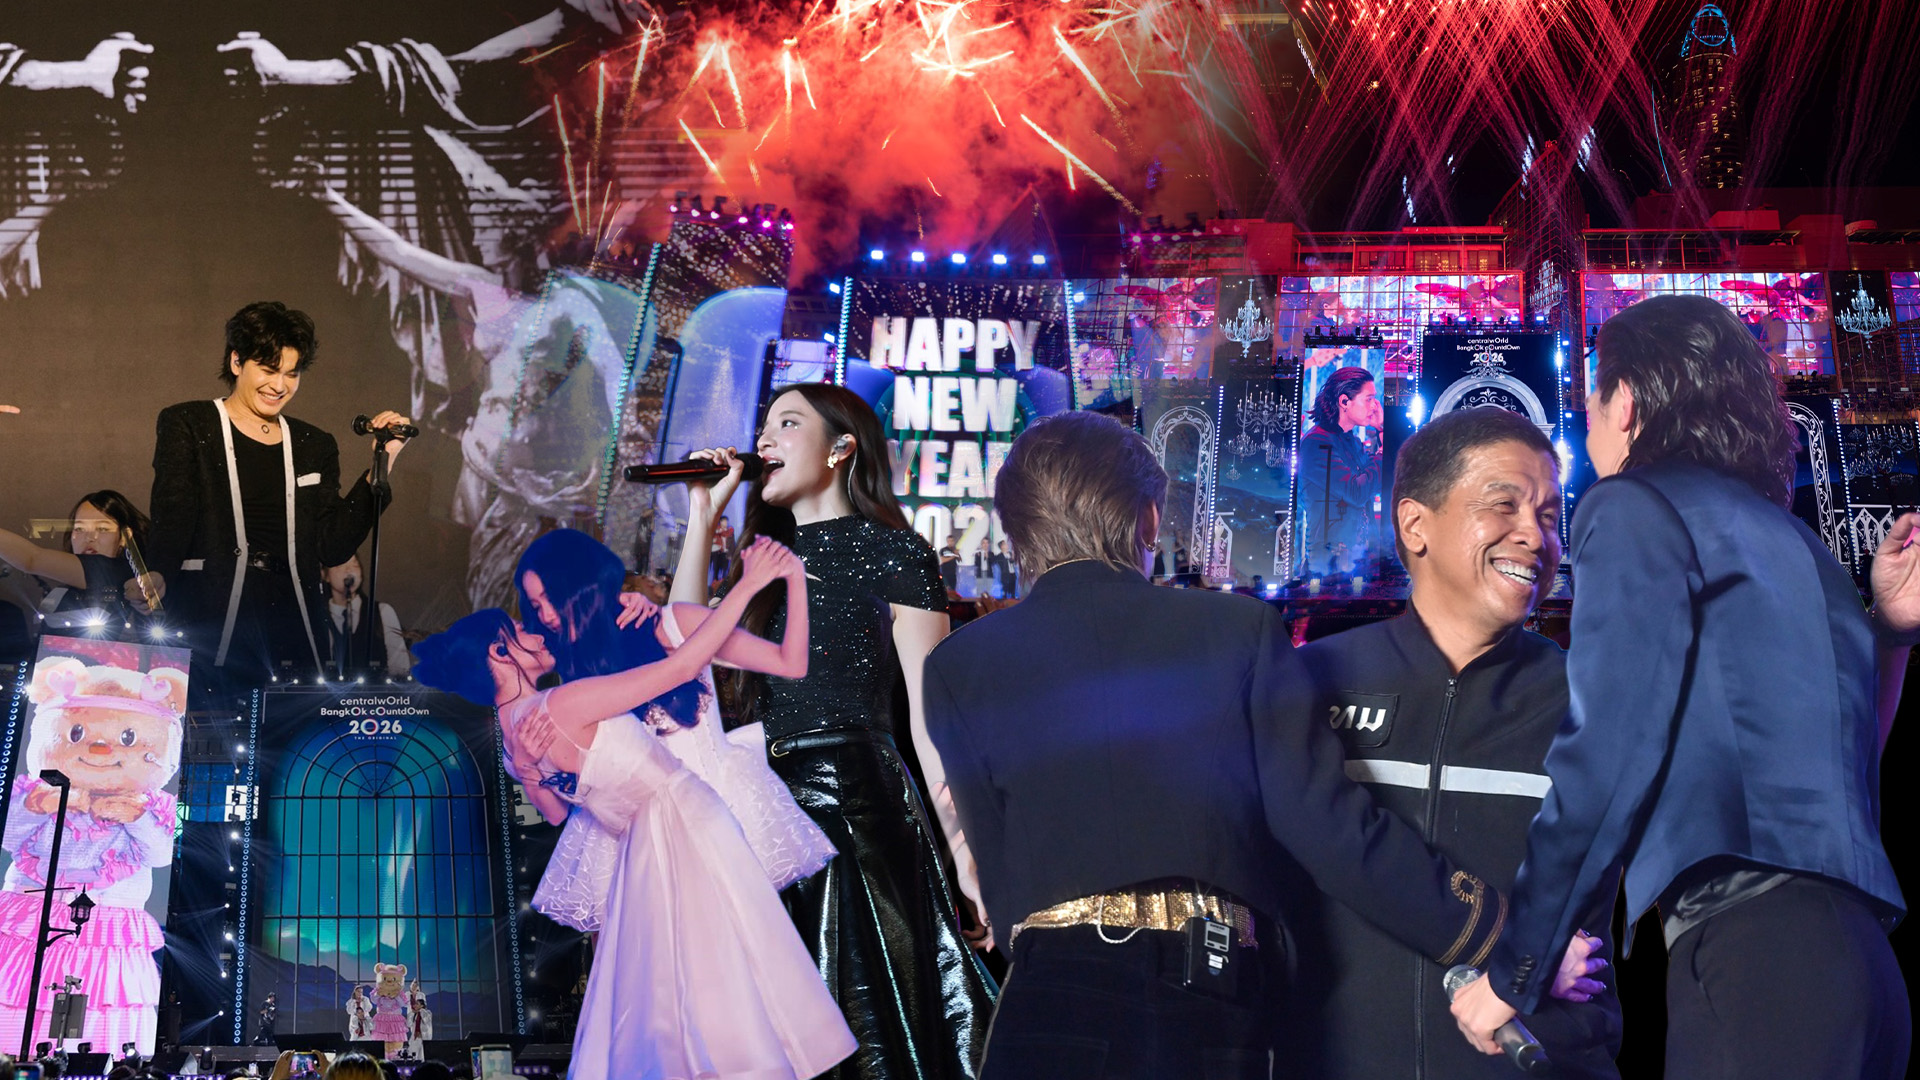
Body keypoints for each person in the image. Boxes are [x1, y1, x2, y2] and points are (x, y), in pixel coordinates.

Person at [921, 412, 1597, 1078]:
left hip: (1043, 998)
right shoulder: (1236, 630)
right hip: (1200, 991)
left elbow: (997, 877)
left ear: (1015, 529)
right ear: (1148, 520)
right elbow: (1329, 829)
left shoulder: (956, 665)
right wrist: (1501, 937)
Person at [1451, 295, 1915, 1078]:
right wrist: (1893, 639)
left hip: (1756, 955)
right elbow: (1849, 765)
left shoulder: (1630, 506)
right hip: (1864, 968)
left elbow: (1608, 749)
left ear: (1628, 402)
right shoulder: (1796, 540)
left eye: (1592, 399)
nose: (1588, 425)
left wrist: (1517, 968)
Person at [412, 538, 856, 1080]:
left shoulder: (517, 732)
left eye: (544, 603)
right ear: (499, 654)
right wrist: (749, 584)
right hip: (673, 821)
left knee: (675, 1000)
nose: (541, 622)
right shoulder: (561, 696)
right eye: (526, 620)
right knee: (713, 991)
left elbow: (554, 812)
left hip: (660, 830)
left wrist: (653, 610)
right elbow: (682, 668)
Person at [1283, 407, 1619, 1080]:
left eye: (1549, 516)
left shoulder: (1593, 699)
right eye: (1504, 505)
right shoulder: (1310, 682)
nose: (1535, 535)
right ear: (1415, 525)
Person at [675, 383, 997, 1080]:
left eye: (787, 424)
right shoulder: (765, 562)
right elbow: (684, 647)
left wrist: (967, 858)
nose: (764, 440)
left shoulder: (896, 554)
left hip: (853, 811)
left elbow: (930, 719)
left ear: (841, 448)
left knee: (859, 1022)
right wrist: (703, 513)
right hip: (758, 808)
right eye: (763, 426)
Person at [511, 528, 833, 925]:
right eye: (536, 605)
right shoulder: (573, 670)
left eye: (552, 600)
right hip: (633, 836)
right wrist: (526, 763)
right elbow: (561, 809)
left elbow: (790, 663)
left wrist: (795, 578)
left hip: (717, 811)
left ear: (581, 589)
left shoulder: (675, 623)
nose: (546, 616)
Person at [140, 301, 413, 693]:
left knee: (290, 728)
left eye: (291, 373)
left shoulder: (313, 443)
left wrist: (383, 461)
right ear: (236, 362)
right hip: (209, 617)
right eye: (268, 370)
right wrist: (157, 571)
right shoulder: (189, 422)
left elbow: (331, 545)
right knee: (210, 725)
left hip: (293, 623)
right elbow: (173, 509)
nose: (280, 385)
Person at [0, 490, 159, 631]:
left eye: (102, 529)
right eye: (79, 529)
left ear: (125, 537)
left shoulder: (120, 573)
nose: (89, 537)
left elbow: (32, 559)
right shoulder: (63, 591)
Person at [1298, 366, 1384, 577]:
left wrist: (1381, 430)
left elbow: (1376, 483)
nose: (1375, 406)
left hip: (1359, 562)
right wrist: (1383, 449)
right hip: (1329, 567)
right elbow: (1356, 492)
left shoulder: (1352, 441)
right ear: (1344, 401)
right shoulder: (1317, 443)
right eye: (1369, 399)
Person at [321, 555, 410, 679]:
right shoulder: (318, 617)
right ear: (325, 575)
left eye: (355, 565)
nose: (349, 570)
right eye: (340, 565)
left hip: (376, 690)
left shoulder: (382, 612)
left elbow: (400, 668)